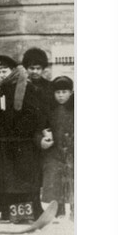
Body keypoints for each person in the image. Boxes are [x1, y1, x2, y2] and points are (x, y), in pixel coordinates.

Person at [0, 55, 47, 220]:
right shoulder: (1, 88)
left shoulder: (27, 88)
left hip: (23, 141)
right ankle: (10, 212)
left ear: (13, 71)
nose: (1, 74)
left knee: (26, 178)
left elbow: (34, 114)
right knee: (9, 180)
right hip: (5, 141)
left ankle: (32, 210)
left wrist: (20, 130)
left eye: (4, 71)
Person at [40, 76, 74, 219]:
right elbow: (40, 127)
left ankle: (75, 208)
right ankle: (59, 209)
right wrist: (43, 137)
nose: (60, 95)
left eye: (64, 92)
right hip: (54, 151)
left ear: (71, 92)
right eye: (57, 92)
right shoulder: (49, 110)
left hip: (73, 150)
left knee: (74, 179)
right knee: (56, 179)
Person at [22, 47, 53, 117]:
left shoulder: (50, 86)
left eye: (38, 68)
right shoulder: (20, 87)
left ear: (43, 69)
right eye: (32, 68)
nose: (35, 71)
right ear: (26, 68)